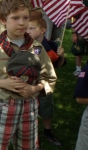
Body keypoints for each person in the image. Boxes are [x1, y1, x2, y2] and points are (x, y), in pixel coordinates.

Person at [0, 0, 57, 150]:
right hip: (3, 106)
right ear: (3, 20)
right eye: (15, 18)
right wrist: (3, 83)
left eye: (25, 17)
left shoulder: (37, 48)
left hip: (30, 107)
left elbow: (49, 78)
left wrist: (35, 88)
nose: (22, 23)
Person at [27, 12, 65, 147]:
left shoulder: (51, 45)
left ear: (43, 30)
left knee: (46, 108)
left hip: (45, 83)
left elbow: (57, 66)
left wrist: (62, 57)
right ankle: (31, 134)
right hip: (29, 83)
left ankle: (47, 132)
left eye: (31, 28)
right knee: (29, 110)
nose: (28, 31)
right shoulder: (25, 45)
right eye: (27, 28)